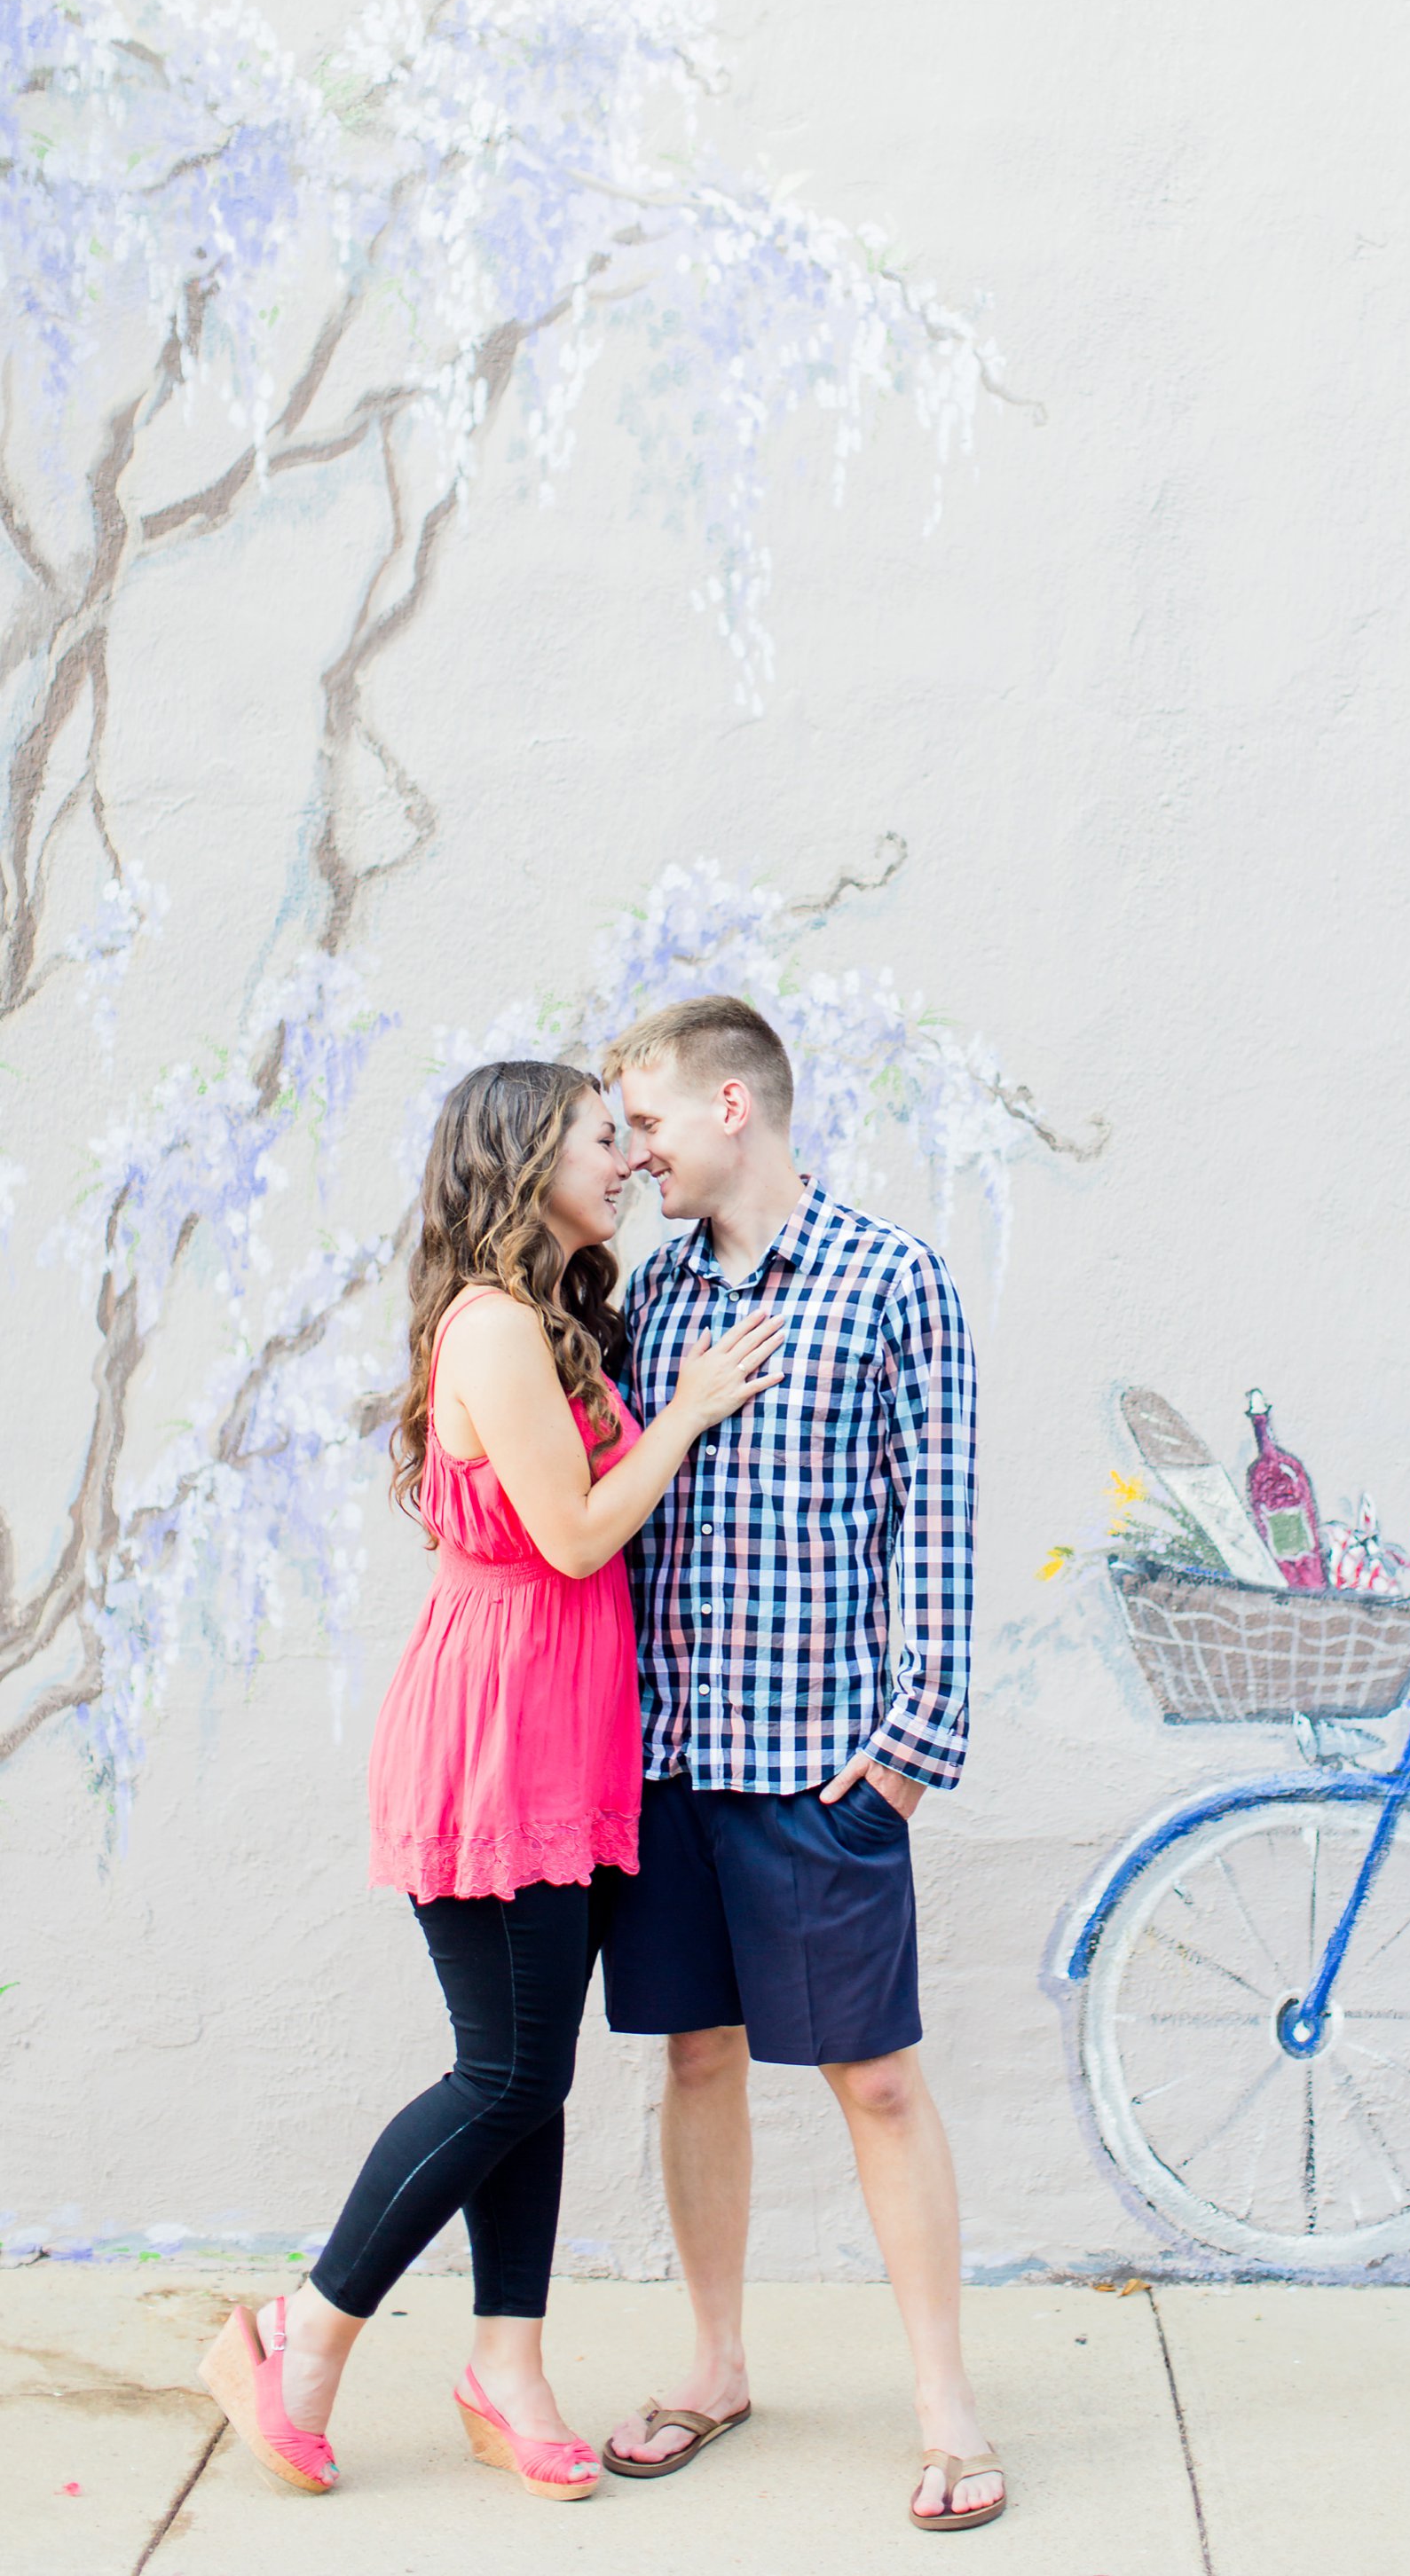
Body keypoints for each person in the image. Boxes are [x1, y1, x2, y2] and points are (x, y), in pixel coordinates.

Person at [197, 1060, 782, 2501]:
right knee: (505, 2069)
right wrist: (689, 1411)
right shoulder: (497, 1330)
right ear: (527, 1166)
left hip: (566, 1723)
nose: (630, 1166)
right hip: (499, 1730)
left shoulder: (555, 1323)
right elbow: (578, 1536)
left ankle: (507, 2364)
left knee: (534, 2074)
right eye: (605, 1141)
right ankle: (301, 2331)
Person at [596, 995, 1005, 2534]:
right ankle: (714, 2367)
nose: (630, 1157)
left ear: (730, 1109)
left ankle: (947, 2409)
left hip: (822, 1768)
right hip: (673, 1760)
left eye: (642, 1125)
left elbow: (940, 1526)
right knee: (692, 2061)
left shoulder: (894, 1281)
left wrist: (907, 1755)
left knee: (877, 2082)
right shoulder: (653, 1300)